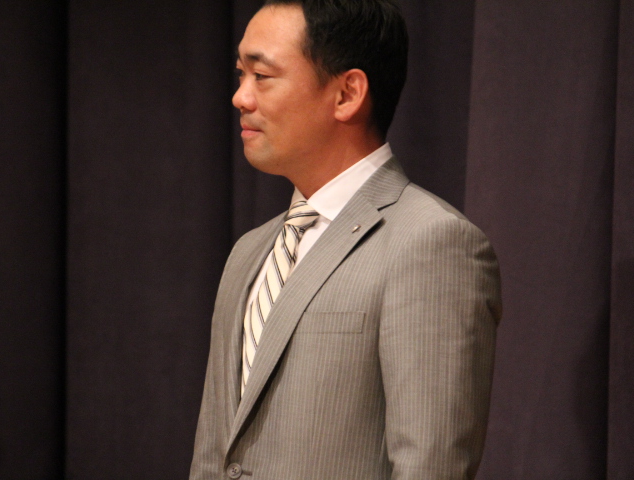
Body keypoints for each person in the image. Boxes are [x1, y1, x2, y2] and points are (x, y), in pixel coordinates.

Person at [190, 1, 502, 478]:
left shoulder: (431, 243)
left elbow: (430, 464)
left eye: (262, 76)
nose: (240, 97)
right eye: (240, 74)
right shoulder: (249, 251)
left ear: (347, 93)